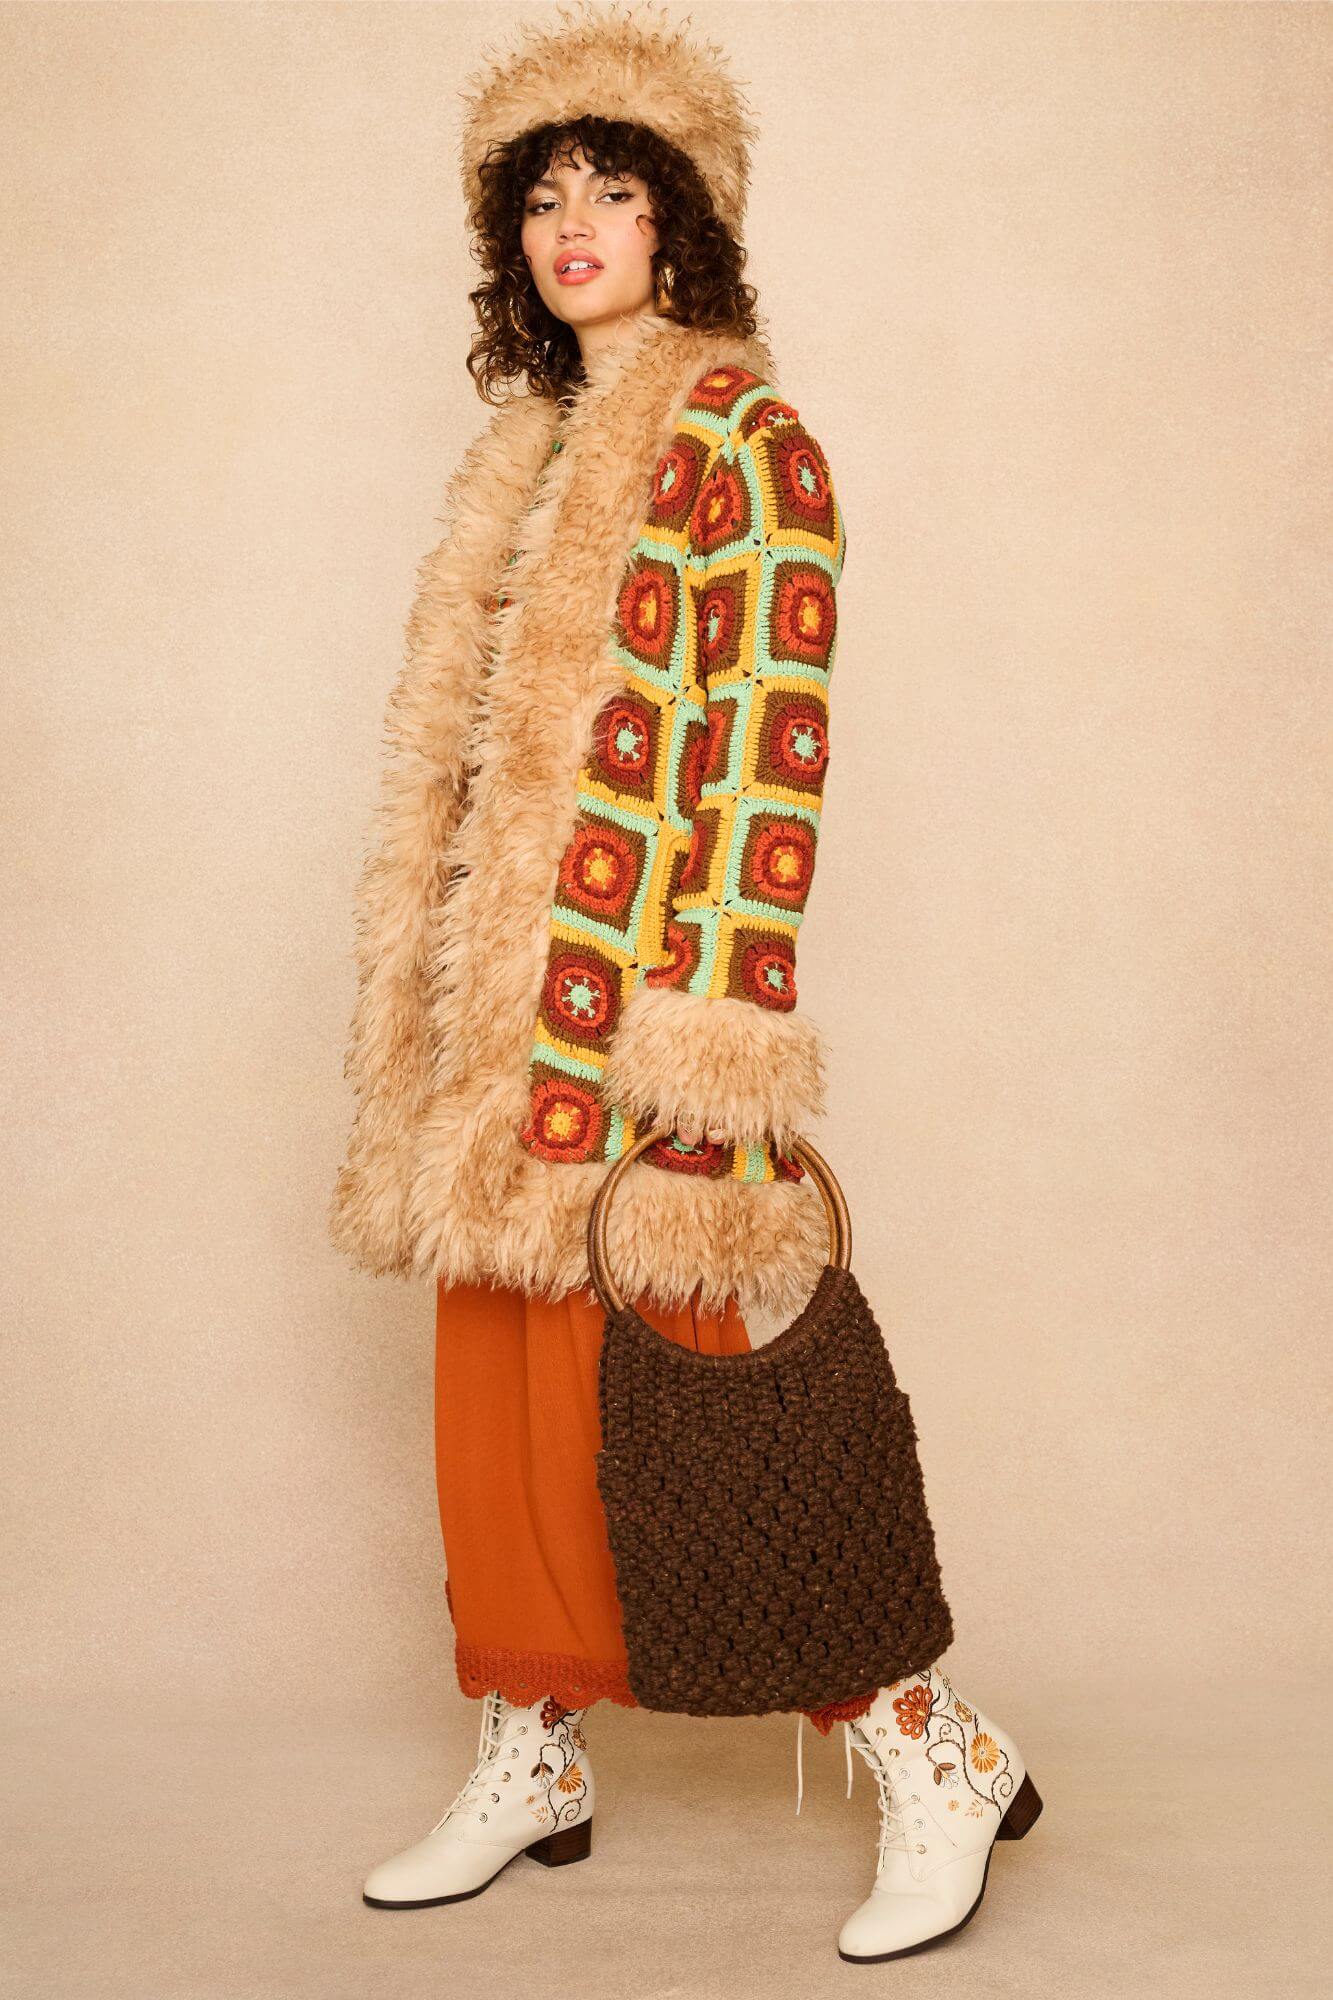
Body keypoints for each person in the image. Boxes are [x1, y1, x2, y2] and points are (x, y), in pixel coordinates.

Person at [332, 0, 1041, 1961]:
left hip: (636, 1026)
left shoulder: (744, 442)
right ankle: (532, 1751)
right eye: (540, 197)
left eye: (613, 192)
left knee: (719, 1436)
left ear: (682, 221)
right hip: (496, 1036)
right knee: (499, 1421)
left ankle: (932, 1748)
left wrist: (705, 1046)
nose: (573, 227)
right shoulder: (522, 456)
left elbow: (765, 763)